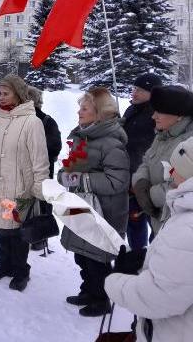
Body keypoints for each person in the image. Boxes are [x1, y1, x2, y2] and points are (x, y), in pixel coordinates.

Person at [105, 137, 193, 342]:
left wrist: (115, 281)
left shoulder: (186, 227)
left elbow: (159, 298)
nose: (168, 175)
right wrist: (149, 259)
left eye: (172, 170)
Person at [0, 74, 48, 291]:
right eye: (0, 93)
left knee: (17, 232)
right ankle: (5, 266)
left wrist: (39, 188)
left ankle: (21, 271)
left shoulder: (32, 123)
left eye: (6, 93)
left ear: (19, 95)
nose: (1, 97)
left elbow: (39, 161)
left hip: (19, 189)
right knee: (2, 230)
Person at [58, 87, 130, 317]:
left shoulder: (111, 142)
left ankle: (102, 299)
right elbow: (69, 169)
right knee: (83, 255)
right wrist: (64, 175)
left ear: (99, 113)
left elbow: (117, 181)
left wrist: (80, 179)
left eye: (84, 108)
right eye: (80, 107)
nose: (79, 112)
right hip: (82, 208)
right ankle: (88, 290)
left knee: (97, 259)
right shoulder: (82, 136)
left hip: (103, 212)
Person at [132, 85, 193, 236]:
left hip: (178, 229)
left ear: (179, 115)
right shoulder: (163, 135)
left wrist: (150, 196)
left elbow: (185, 186)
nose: (153, 116)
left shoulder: (188, 145)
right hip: (159, 221)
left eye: (160, 111)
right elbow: (146, 160)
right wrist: (140, 183)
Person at [121, 74, 161, 249]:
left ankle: (152, 255)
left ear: (153, 93)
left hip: (148, 178)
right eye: (134, 88)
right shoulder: (131, 110)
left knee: (152, 220)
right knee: (133, 219)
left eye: (140, 90)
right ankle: (137, 254)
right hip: (129, 173)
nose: (134, 93)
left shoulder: (157, 115)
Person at [27, 86, 62, 252]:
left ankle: (37, 237)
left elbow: (55, 147)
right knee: (34, 203)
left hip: (38, 171)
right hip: (36, 171)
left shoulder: (46, 121)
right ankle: (34, 237)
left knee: (36, 203)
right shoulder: (19, 119)